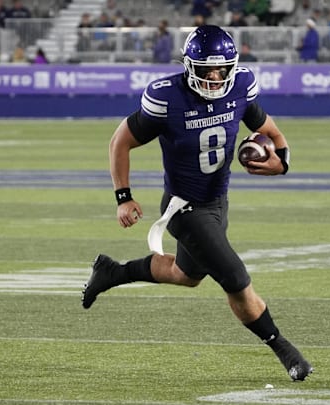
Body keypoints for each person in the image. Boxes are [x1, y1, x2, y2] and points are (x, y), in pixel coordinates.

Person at [81, 25, 313, 382]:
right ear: (190, 66)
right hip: (184, 209)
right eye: (206, 69)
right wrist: (123, 197)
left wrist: (280, 163)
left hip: (218, 202)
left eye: (222, 69)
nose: (215, 76)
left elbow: (274, 134)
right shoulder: (167, 97)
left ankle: (113, 272)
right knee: (235, 278)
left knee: (186, 275)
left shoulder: (240, 87)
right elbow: (119, 142)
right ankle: (285, 350)